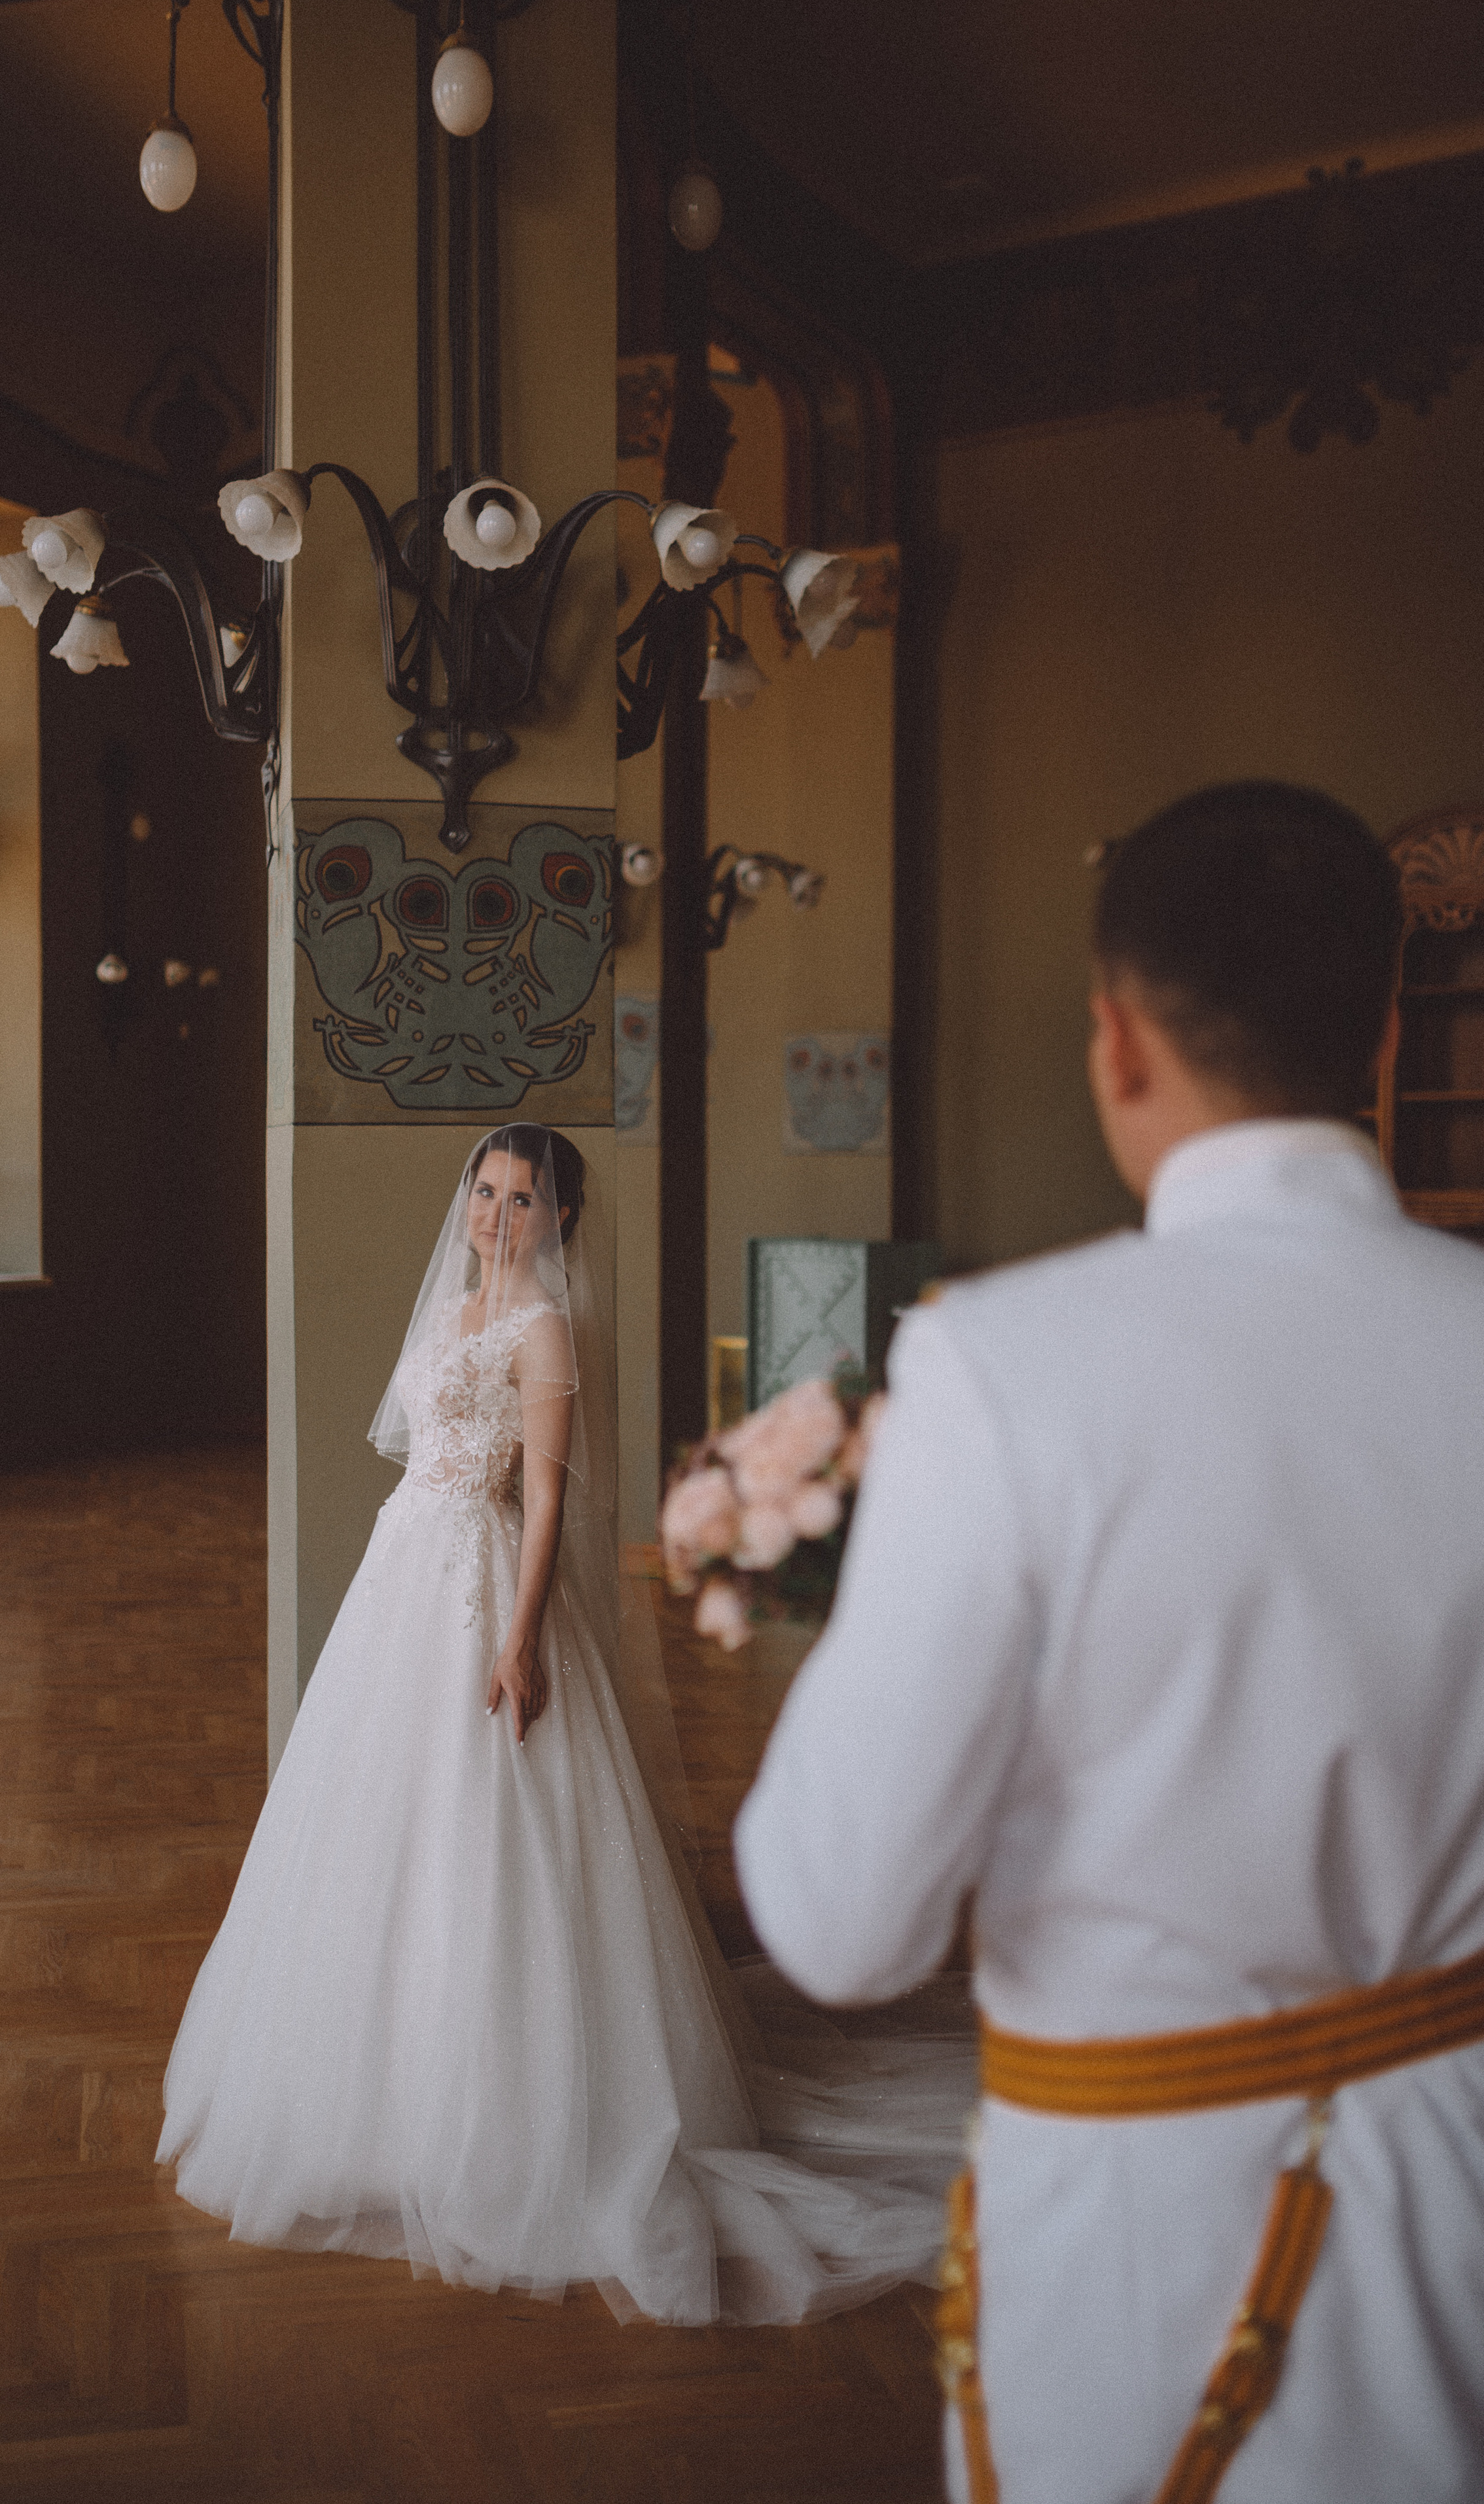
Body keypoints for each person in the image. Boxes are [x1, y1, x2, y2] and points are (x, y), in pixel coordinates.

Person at [735, 783, 1484, 2503]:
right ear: (1379, 1029)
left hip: (1155, 2228)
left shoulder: (1005, 1364)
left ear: (1116, 1040)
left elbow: (842, 1927)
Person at [158, 1121, 975, 2327]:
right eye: (485, 1191)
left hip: (487, 1581)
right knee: (377, 1827)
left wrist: (521, 1631)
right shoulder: (450, 1307)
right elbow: (416, 1446)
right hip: (404, 1572)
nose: (496, 1213)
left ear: (559, 1218)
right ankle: (370, 2097)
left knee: (495, 1828)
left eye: (523, 1197)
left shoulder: (546, 1329)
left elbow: (542, 1492)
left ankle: (508, 2115)